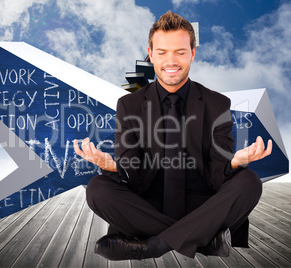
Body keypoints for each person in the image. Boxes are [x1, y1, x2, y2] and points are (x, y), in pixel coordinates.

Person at [73, 11, 272, 260]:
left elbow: (217, 173)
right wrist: (110, 166)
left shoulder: (217, 103)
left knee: (249, 182)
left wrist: (235, 162)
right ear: (151, 53)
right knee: (97, 189)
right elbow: (132, 174)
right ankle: (204, 238)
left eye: (179, 52)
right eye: (162, 52)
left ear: (193, 53)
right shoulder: (129, 105)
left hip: (204, 205)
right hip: (147, 206)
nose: (171, 61)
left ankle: (153, 245)